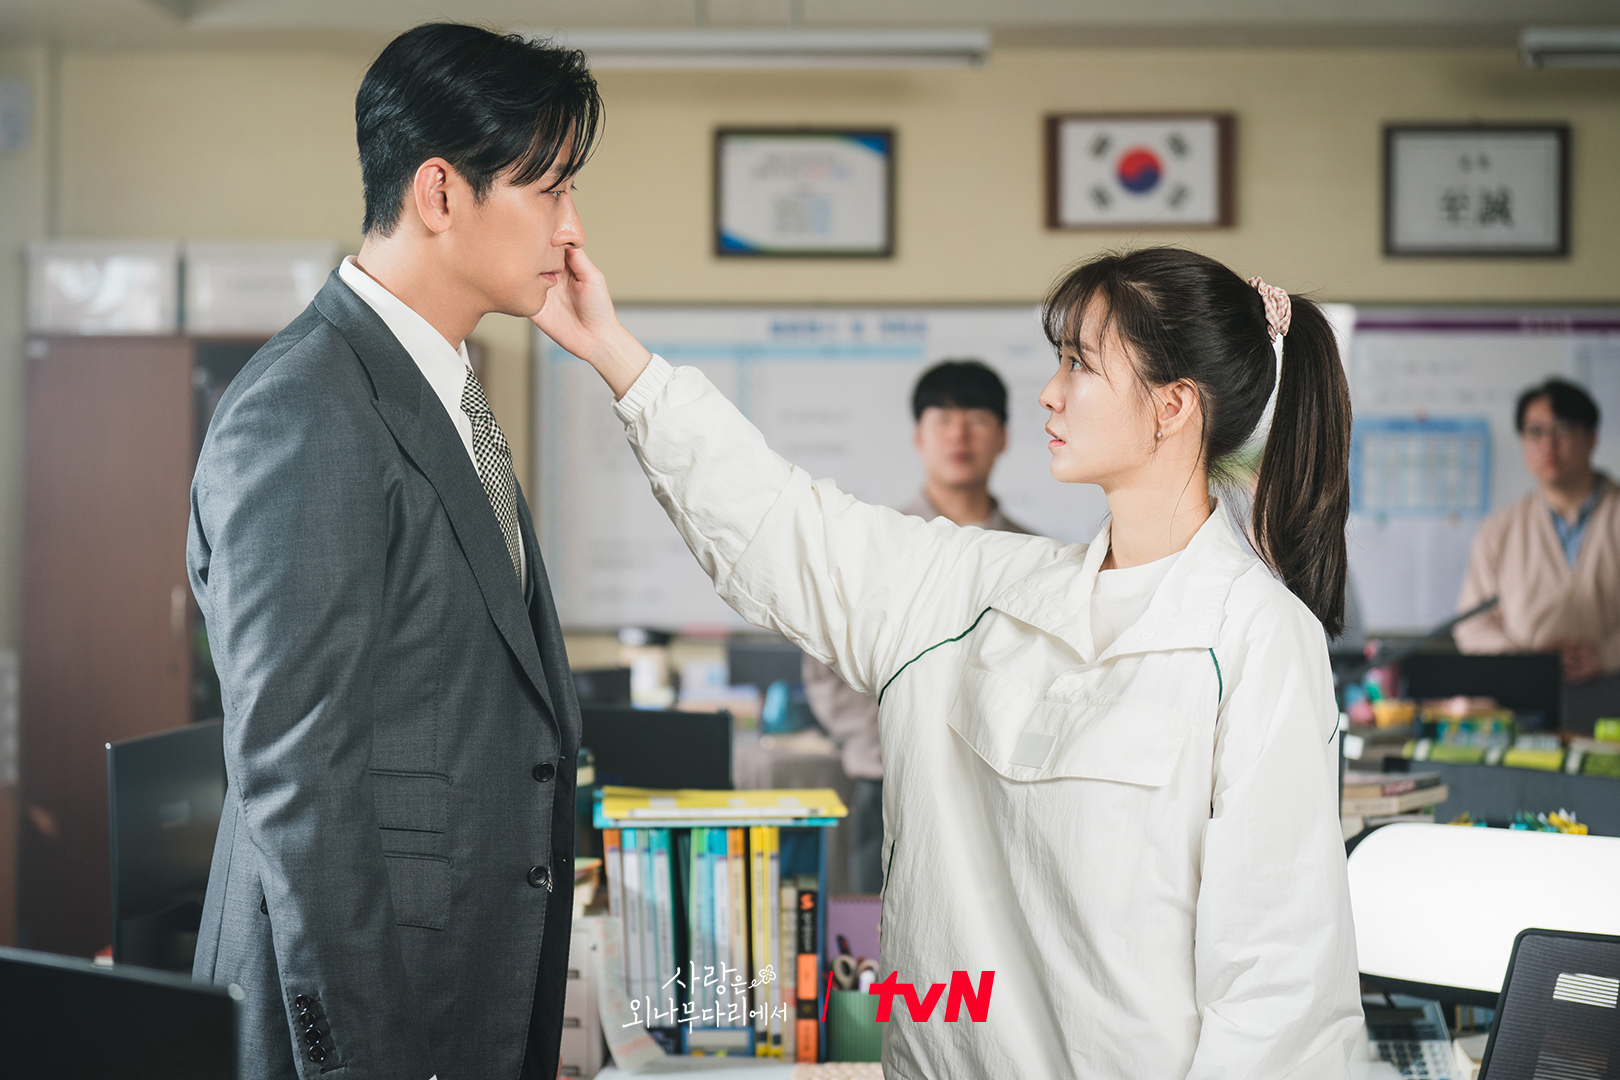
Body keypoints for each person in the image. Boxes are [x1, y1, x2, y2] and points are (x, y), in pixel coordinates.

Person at [537, 246, 1361, 1077]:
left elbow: (1277, 986)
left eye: (1080, 364)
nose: (1049, 392)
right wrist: (616, 354)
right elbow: (784, 526)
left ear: (1172, 406)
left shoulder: (1256, 638)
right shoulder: (973, 586)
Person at [188, 25, 596, 1079]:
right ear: (440, 193)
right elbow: (298, 776)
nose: (571, 227)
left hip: (462, 982)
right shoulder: (307, 408)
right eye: (549, 189)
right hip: (370, 1017)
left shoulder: (438, 383)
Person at [802, 359, 1029, 893]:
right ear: (918, 437)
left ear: (1003, 438)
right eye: (942, 419)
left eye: (977, 419)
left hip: (996, 789)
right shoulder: (876, 544)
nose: (959, 434)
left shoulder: (1033, 554)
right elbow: (825, 662)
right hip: (888, 781)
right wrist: (881, 745)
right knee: (878, 930)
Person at [1457, 378, 1619, 683]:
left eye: (1563, 429)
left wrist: (1605, 656)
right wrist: (1529, 661)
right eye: (1535, 432)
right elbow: (1472, 626)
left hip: (1612, 689)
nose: (1548, 444)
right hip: (1525, 693)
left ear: (1592, 437)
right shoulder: (1499, 530)